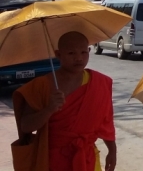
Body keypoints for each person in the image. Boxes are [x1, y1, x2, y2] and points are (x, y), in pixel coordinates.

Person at [12, 31, 116, 171]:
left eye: (83, 52)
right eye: (71, 53)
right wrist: (49, 109)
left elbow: (106, 122)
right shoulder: (42, 85)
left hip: (86, 158)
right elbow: (26, 126)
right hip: (53, 160)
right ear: (58, 54)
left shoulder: (99, 82)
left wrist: (112, 150)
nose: (79, 58)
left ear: (89, 51)